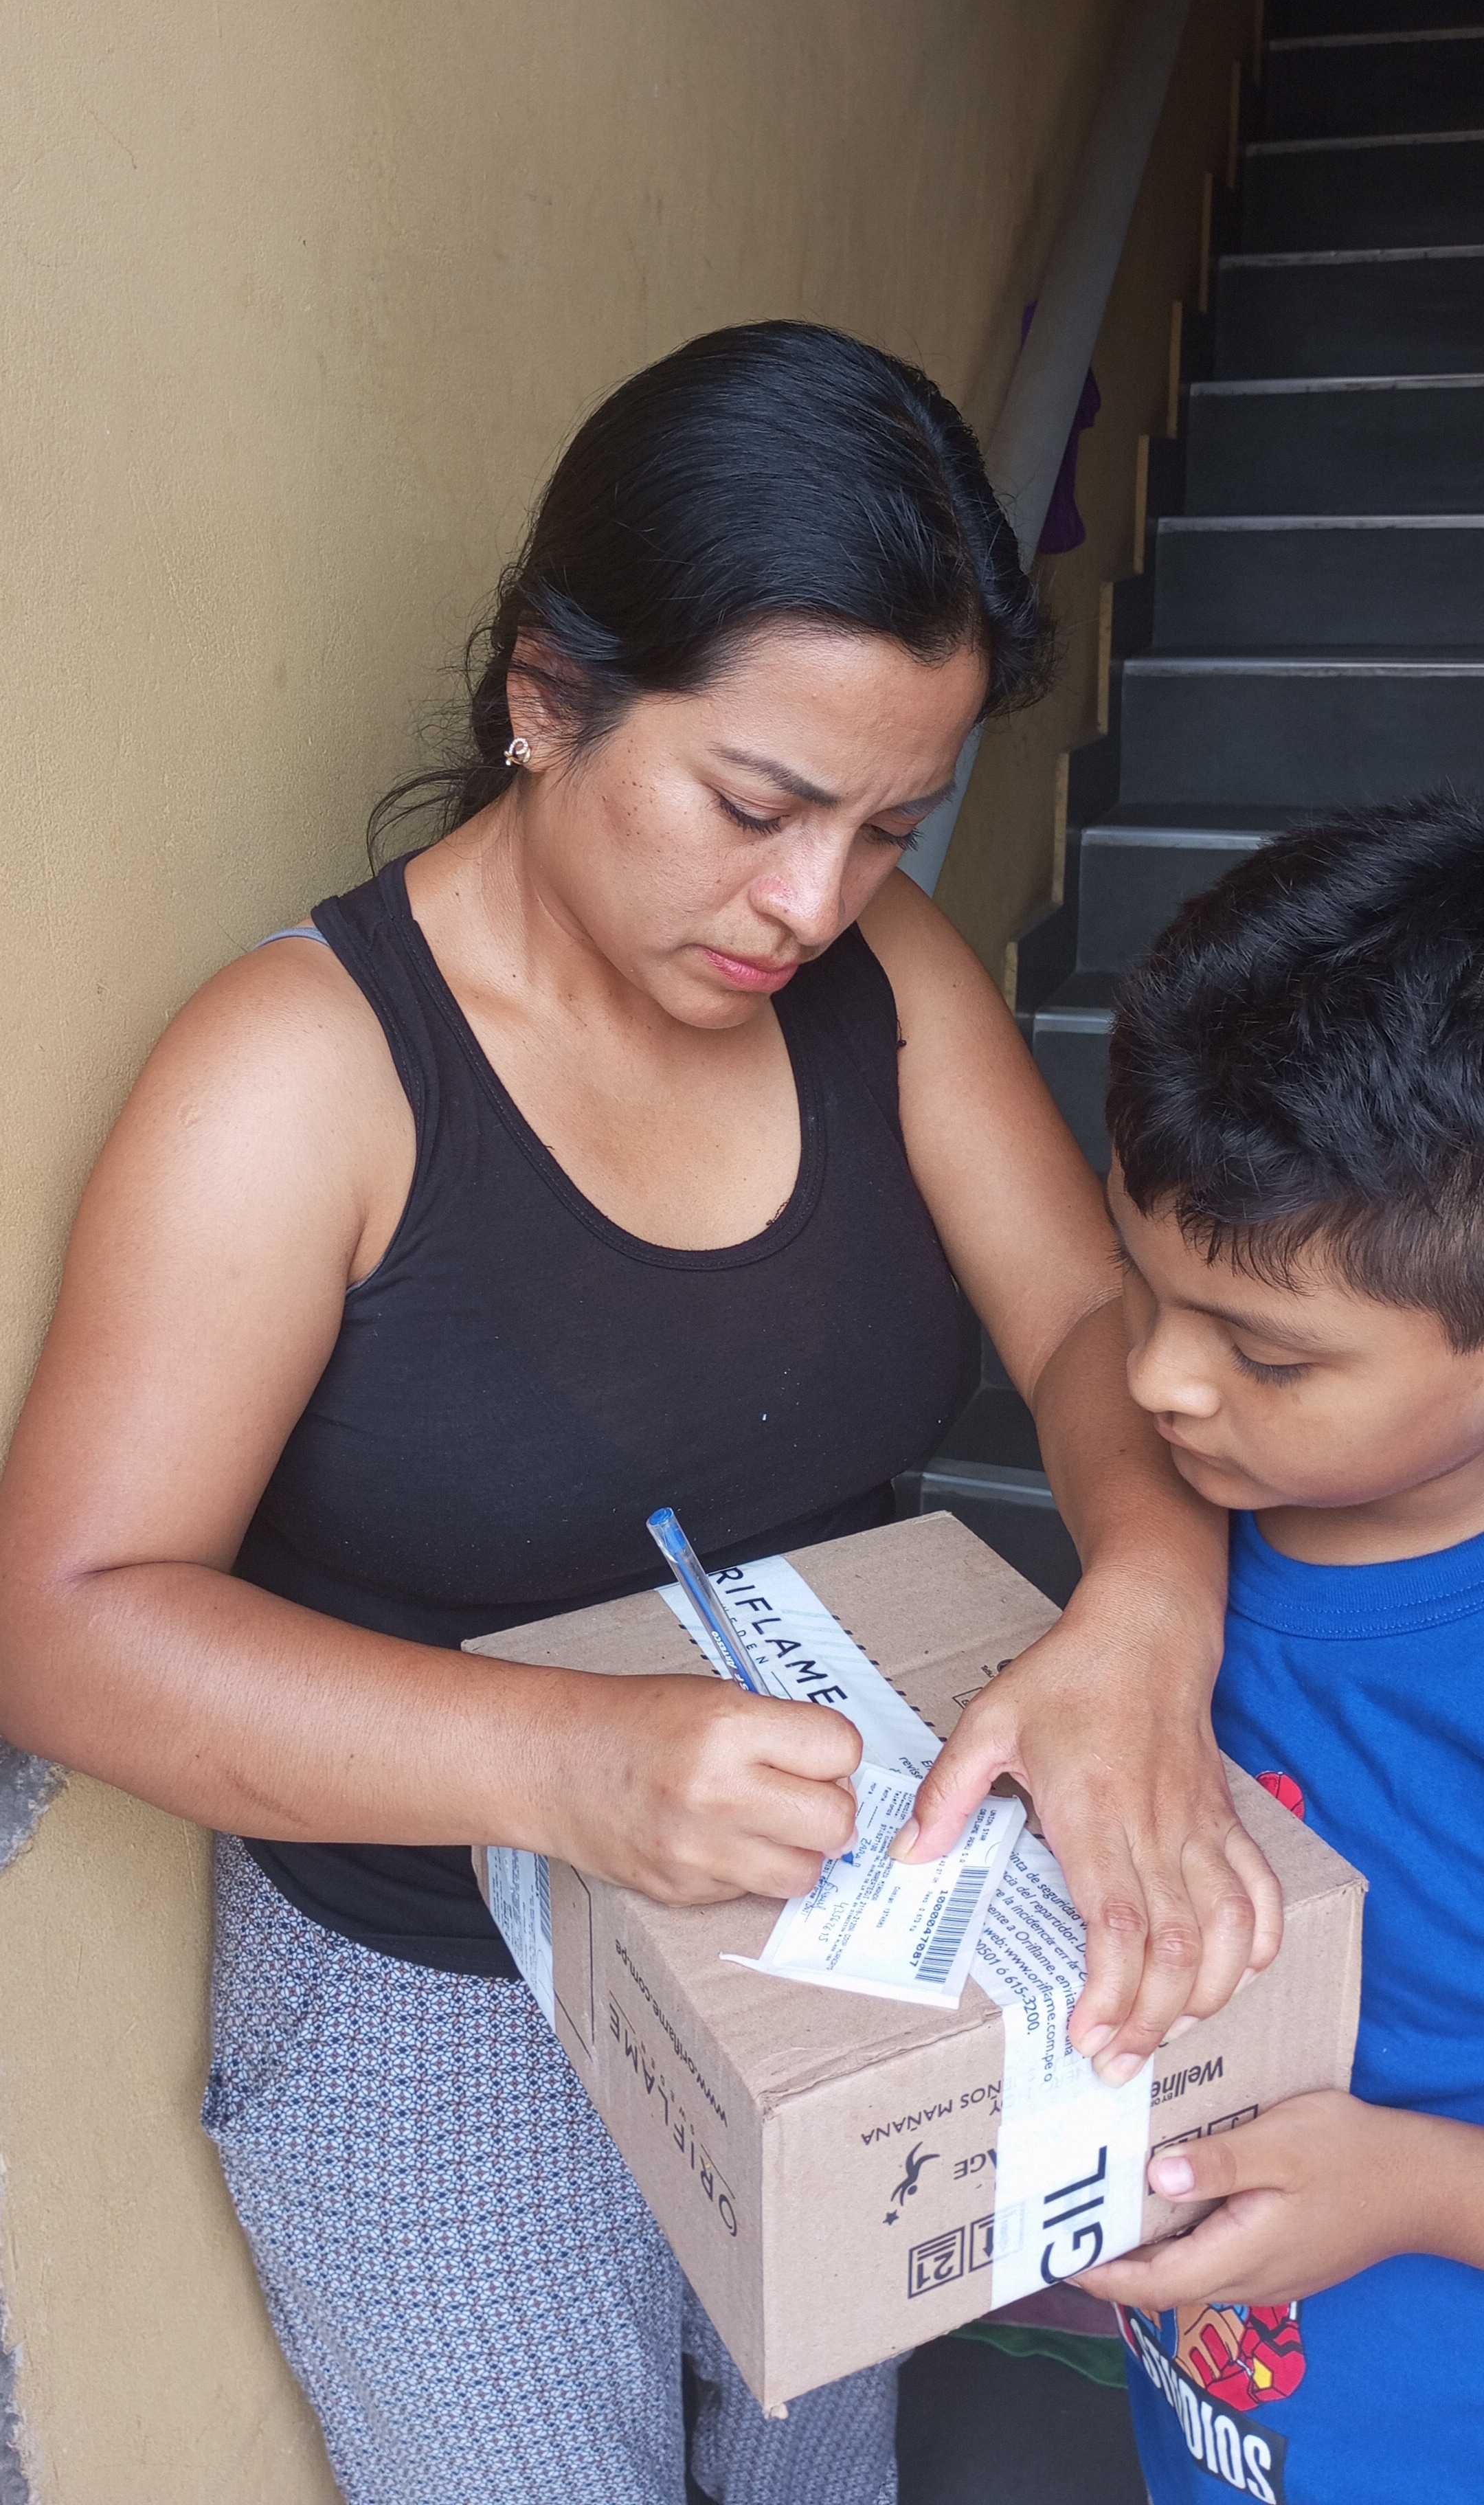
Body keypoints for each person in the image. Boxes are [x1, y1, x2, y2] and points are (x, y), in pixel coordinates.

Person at [0, 321, 1278, 2505]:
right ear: (545, 693)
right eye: (757, 808)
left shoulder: (888, 983)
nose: (813, 903)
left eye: (889, 826)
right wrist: (564, 1768)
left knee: (816, 2466)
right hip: (430, 1989)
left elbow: (1087, 1319)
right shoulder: (301, 1078)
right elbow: (65, 1621)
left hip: (825, 1918)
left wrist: (1152, 1598)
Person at [1079, 794, 1484, 2505]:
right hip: (1214, 2415)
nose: (1158, 1381)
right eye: (1136, 1284)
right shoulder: (1201, 1506)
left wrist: (1415, 2192)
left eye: (1266, 1354)